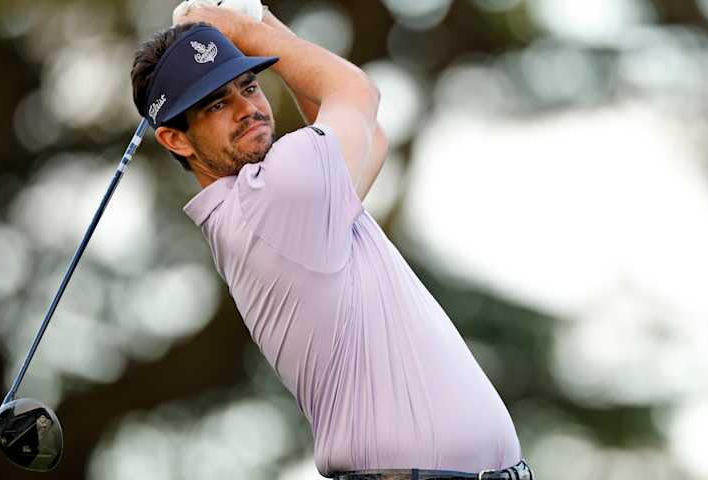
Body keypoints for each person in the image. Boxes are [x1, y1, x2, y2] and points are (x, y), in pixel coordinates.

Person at [130, 4, 533, 479]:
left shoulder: (276, 205)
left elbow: (370, 136)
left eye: (250, 86)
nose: (248, 109)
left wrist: (255, 17)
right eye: (217, 104)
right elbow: (358, 92)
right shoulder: (277, 193)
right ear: (177, 140)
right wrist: (247, 29)